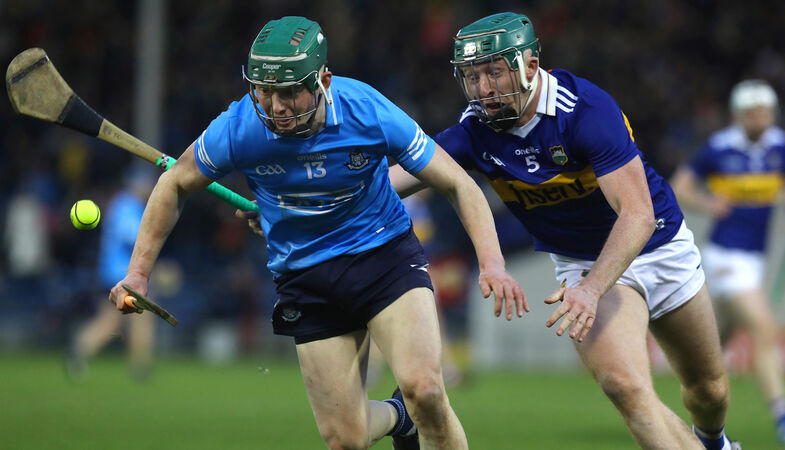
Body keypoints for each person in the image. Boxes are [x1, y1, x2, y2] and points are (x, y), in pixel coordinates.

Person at [108, 16, 528, 450]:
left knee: (426, 391)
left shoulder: (366, 110)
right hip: (307, 277)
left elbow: (457, 182)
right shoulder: (239, 127)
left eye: (289, 92)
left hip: (384, 258)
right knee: (347, 440)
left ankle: (415, 408)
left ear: (323, 81)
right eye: (264, 91)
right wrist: (138, 273)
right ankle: (400, 417)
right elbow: (174, 183)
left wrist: (492, 263)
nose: (276, 107)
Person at [390, 12, 737, 450]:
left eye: (493, 72)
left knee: (709, 391)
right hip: (582, 262)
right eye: (472, 76)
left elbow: (638, 216)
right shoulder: (474, 131)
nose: (483, 89)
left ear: (530, 66)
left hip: (657, 244)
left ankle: (715, 441)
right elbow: (395, 179)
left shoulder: (585, 111)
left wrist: (590, 291)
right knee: (623, 384)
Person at [671, 79, 785, 446]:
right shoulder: (718, 147)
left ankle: (689, 414)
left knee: (708, 354)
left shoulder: (779, 144)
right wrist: (709, 204)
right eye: (753, 112)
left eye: (766, 111)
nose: (761, 118)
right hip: (725, 255)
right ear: (739, 115)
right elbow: (679, 186)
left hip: (755, 258)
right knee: (764, 328)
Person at [67, 165, 156, 381]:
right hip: (123, 274)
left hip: (116, 273)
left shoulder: (126, 204)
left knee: (111, 321)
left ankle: (79, 352)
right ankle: (140, 367)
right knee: (140, 319)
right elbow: (131, 237)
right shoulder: (127, 204)